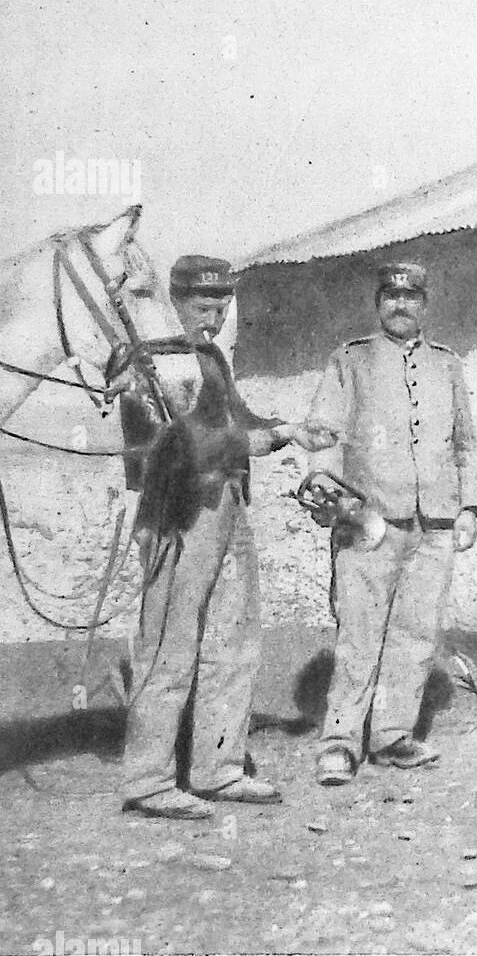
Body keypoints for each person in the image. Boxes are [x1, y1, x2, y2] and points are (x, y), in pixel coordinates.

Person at [121, 256, 328, 820]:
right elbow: (161, 451)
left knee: (234, 641)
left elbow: (239, 419)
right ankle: (148, 779)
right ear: (175, 301)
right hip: (176, 515)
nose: (212, 320)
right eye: (203, 308)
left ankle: (218, 768)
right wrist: (254, 443)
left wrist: (289, 431)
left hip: (229, 508)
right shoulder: (147, 365)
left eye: (221, 308)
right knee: (170, 645)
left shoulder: (209, 359)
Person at [304, 262, 477, 784]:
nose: (400, 306)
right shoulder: (351, 361)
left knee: (414, 635)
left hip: (435, 523)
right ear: (378, 303)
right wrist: (326, 489)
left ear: (425, 304)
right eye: (390, 297)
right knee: (359, 635)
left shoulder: (447, 365)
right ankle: (339, 744)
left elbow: (465, 442)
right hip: (370, 520)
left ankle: (391, 736)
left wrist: (469, 508)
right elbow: (324, 433)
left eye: (410, 298)